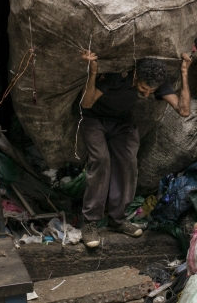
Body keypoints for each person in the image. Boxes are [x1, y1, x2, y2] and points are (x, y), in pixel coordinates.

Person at [78, 49, 191, 248]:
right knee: (100, 160)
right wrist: (93, 73)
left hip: (122, 121)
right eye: (144, 87)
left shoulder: (157, 81)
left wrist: (184, 72)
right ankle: (90, 223)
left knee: (128, 162)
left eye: (151, 90)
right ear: (136, 75)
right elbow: (86, 104)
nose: (147, 93)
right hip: (94, 118)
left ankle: (118, 220)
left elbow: (184, 110)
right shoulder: (116, 77)